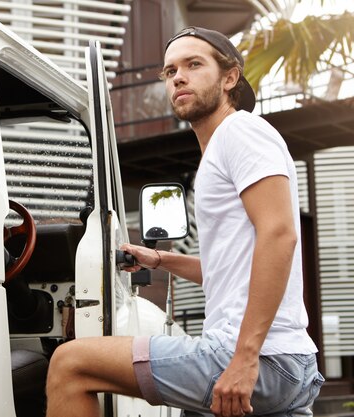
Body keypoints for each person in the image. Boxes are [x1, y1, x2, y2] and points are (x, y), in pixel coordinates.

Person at [46, 26, 324, 417]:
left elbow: (279, 235)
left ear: (230, 78)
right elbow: (229, 271)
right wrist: (160, 261)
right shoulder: (219, 151)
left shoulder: (240, 131)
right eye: (170, 70)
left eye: (194, 64)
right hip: (284, 362)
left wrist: (244, 358)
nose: (178, 76)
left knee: (71, 365)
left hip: (259, 357)